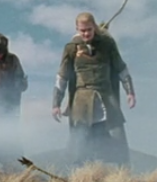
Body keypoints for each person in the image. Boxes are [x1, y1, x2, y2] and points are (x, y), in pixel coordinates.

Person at [52, 13, 136, 167]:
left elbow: (121, 69)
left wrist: (130, 92)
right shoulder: (71, 48)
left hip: (106, 98)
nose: (86, 33)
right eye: (82, 30)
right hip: (81, 101)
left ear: (94, 27)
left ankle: (121, 175)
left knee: (117, 140)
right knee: (79, 142)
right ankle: (80, 175)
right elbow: (62, 76)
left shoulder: (107, 44)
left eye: (89, 30)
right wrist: (56, 104)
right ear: (77, 29)